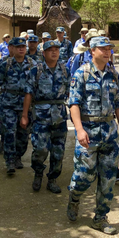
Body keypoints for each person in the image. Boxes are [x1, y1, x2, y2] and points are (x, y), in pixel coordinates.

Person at [66, 36, 119, 235]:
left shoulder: (113, 74)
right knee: (84, 176)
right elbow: (73, 104)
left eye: (109, 48)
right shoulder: (81, 74)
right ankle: (74, 198)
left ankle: (100, 218)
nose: (107, 51)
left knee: (108, 178)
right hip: (88, 132)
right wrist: (79, 130)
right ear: (92, 51)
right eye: (103, 48)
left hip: (109, 133)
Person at [22, 40, 70, 194]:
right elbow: (29, 93)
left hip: (60, 117)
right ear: (44, 53)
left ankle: (52, 179)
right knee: (40, 149)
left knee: (58, 152)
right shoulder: (36, 71)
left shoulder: (65, 70)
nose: (54, 52)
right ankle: (38, 173)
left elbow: (71, 93)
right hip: (41, 117)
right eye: (50, 50)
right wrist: (24, 115)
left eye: (57, 49)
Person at [0, 37, 34, 174]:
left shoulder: (33, 64)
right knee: (9, 132)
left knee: (23, 134)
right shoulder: (5, 64)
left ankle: (17, 157)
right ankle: (9, 161)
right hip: (8, 103)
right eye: (18, 46)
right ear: (12, 48)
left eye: (23, 46)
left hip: (26, 105)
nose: (21, 48)